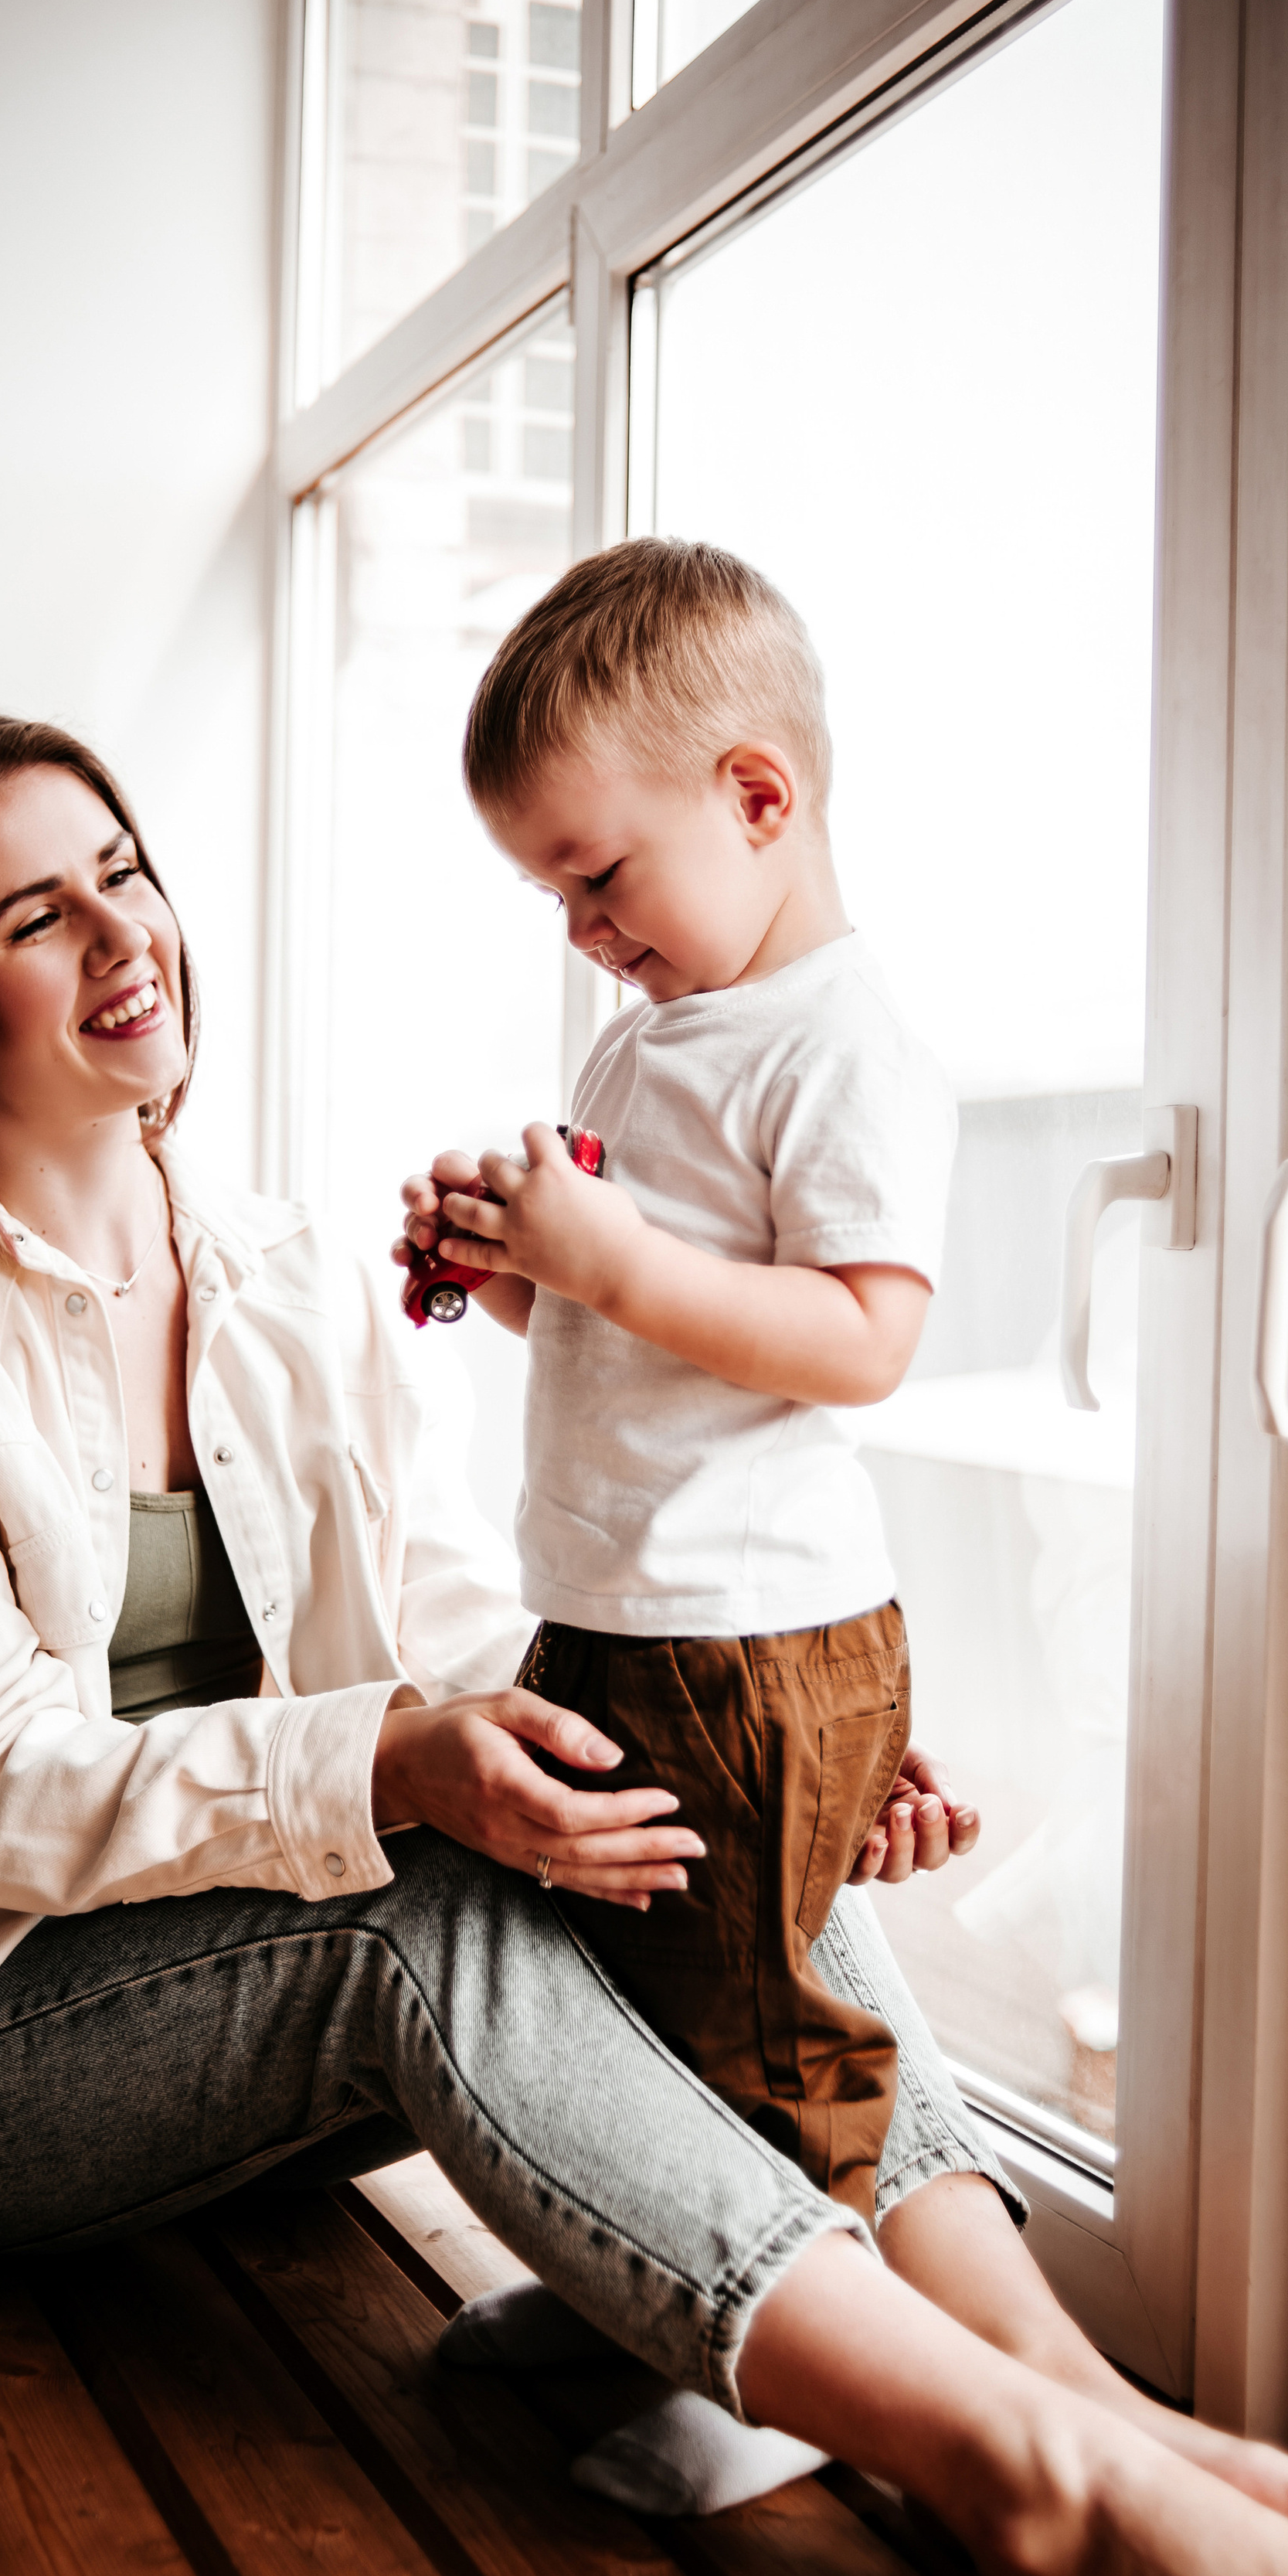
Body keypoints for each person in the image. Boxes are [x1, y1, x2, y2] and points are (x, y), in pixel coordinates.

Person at [0, 703, 1288, 2576]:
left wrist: (753, 1737)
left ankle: (1087, 2406)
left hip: (241, 2032)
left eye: (124, 873)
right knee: (418, 1903)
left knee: (670, 1764)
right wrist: (402, 1761)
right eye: (37, 915)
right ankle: (1022, 2481)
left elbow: (443, 1626)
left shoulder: (277, 1272)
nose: (123, 935)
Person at [400, 539, 953, 2231]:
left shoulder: (840, 1045)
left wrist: (615, 1262)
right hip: (628, 1608)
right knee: (637, 1993)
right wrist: (522, 1279)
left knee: (757, 2029)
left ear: (758, 798)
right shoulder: (650, 1037)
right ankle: (661, 2295)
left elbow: (862, 1340)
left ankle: (788, 2322)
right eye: (549, 902)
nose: (582, 934)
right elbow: (633, 1341)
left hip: (743, 1631)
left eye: (598, 878)